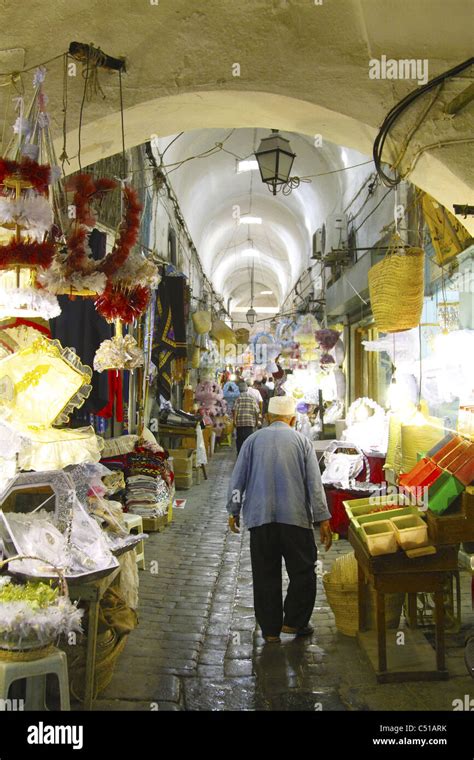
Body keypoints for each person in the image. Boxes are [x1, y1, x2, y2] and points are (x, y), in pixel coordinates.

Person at [227, 394, 332, 643]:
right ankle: (294, 623)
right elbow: (314, 485)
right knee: (304, 572)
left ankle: (271, 631)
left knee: (265, 574)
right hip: (295, 520)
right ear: (293, 419)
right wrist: (323, 518)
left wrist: (233, 509)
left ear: (266, 417)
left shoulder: (252, 441)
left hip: (260, 520)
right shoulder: (302, 442)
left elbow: (237, 478)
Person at [232, 380, 261, 454]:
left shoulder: (238, 398)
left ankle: (240, 454)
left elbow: (235, 410)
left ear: (239, 389)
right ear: (247, 389)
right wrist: (257, 421)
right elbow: (257, 411)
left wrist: (234, 420)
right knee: (249, 439)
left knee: (240, 439)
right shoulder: (252, 398)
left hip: (240, 422)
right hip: (250, 422)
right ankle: (248, 453)